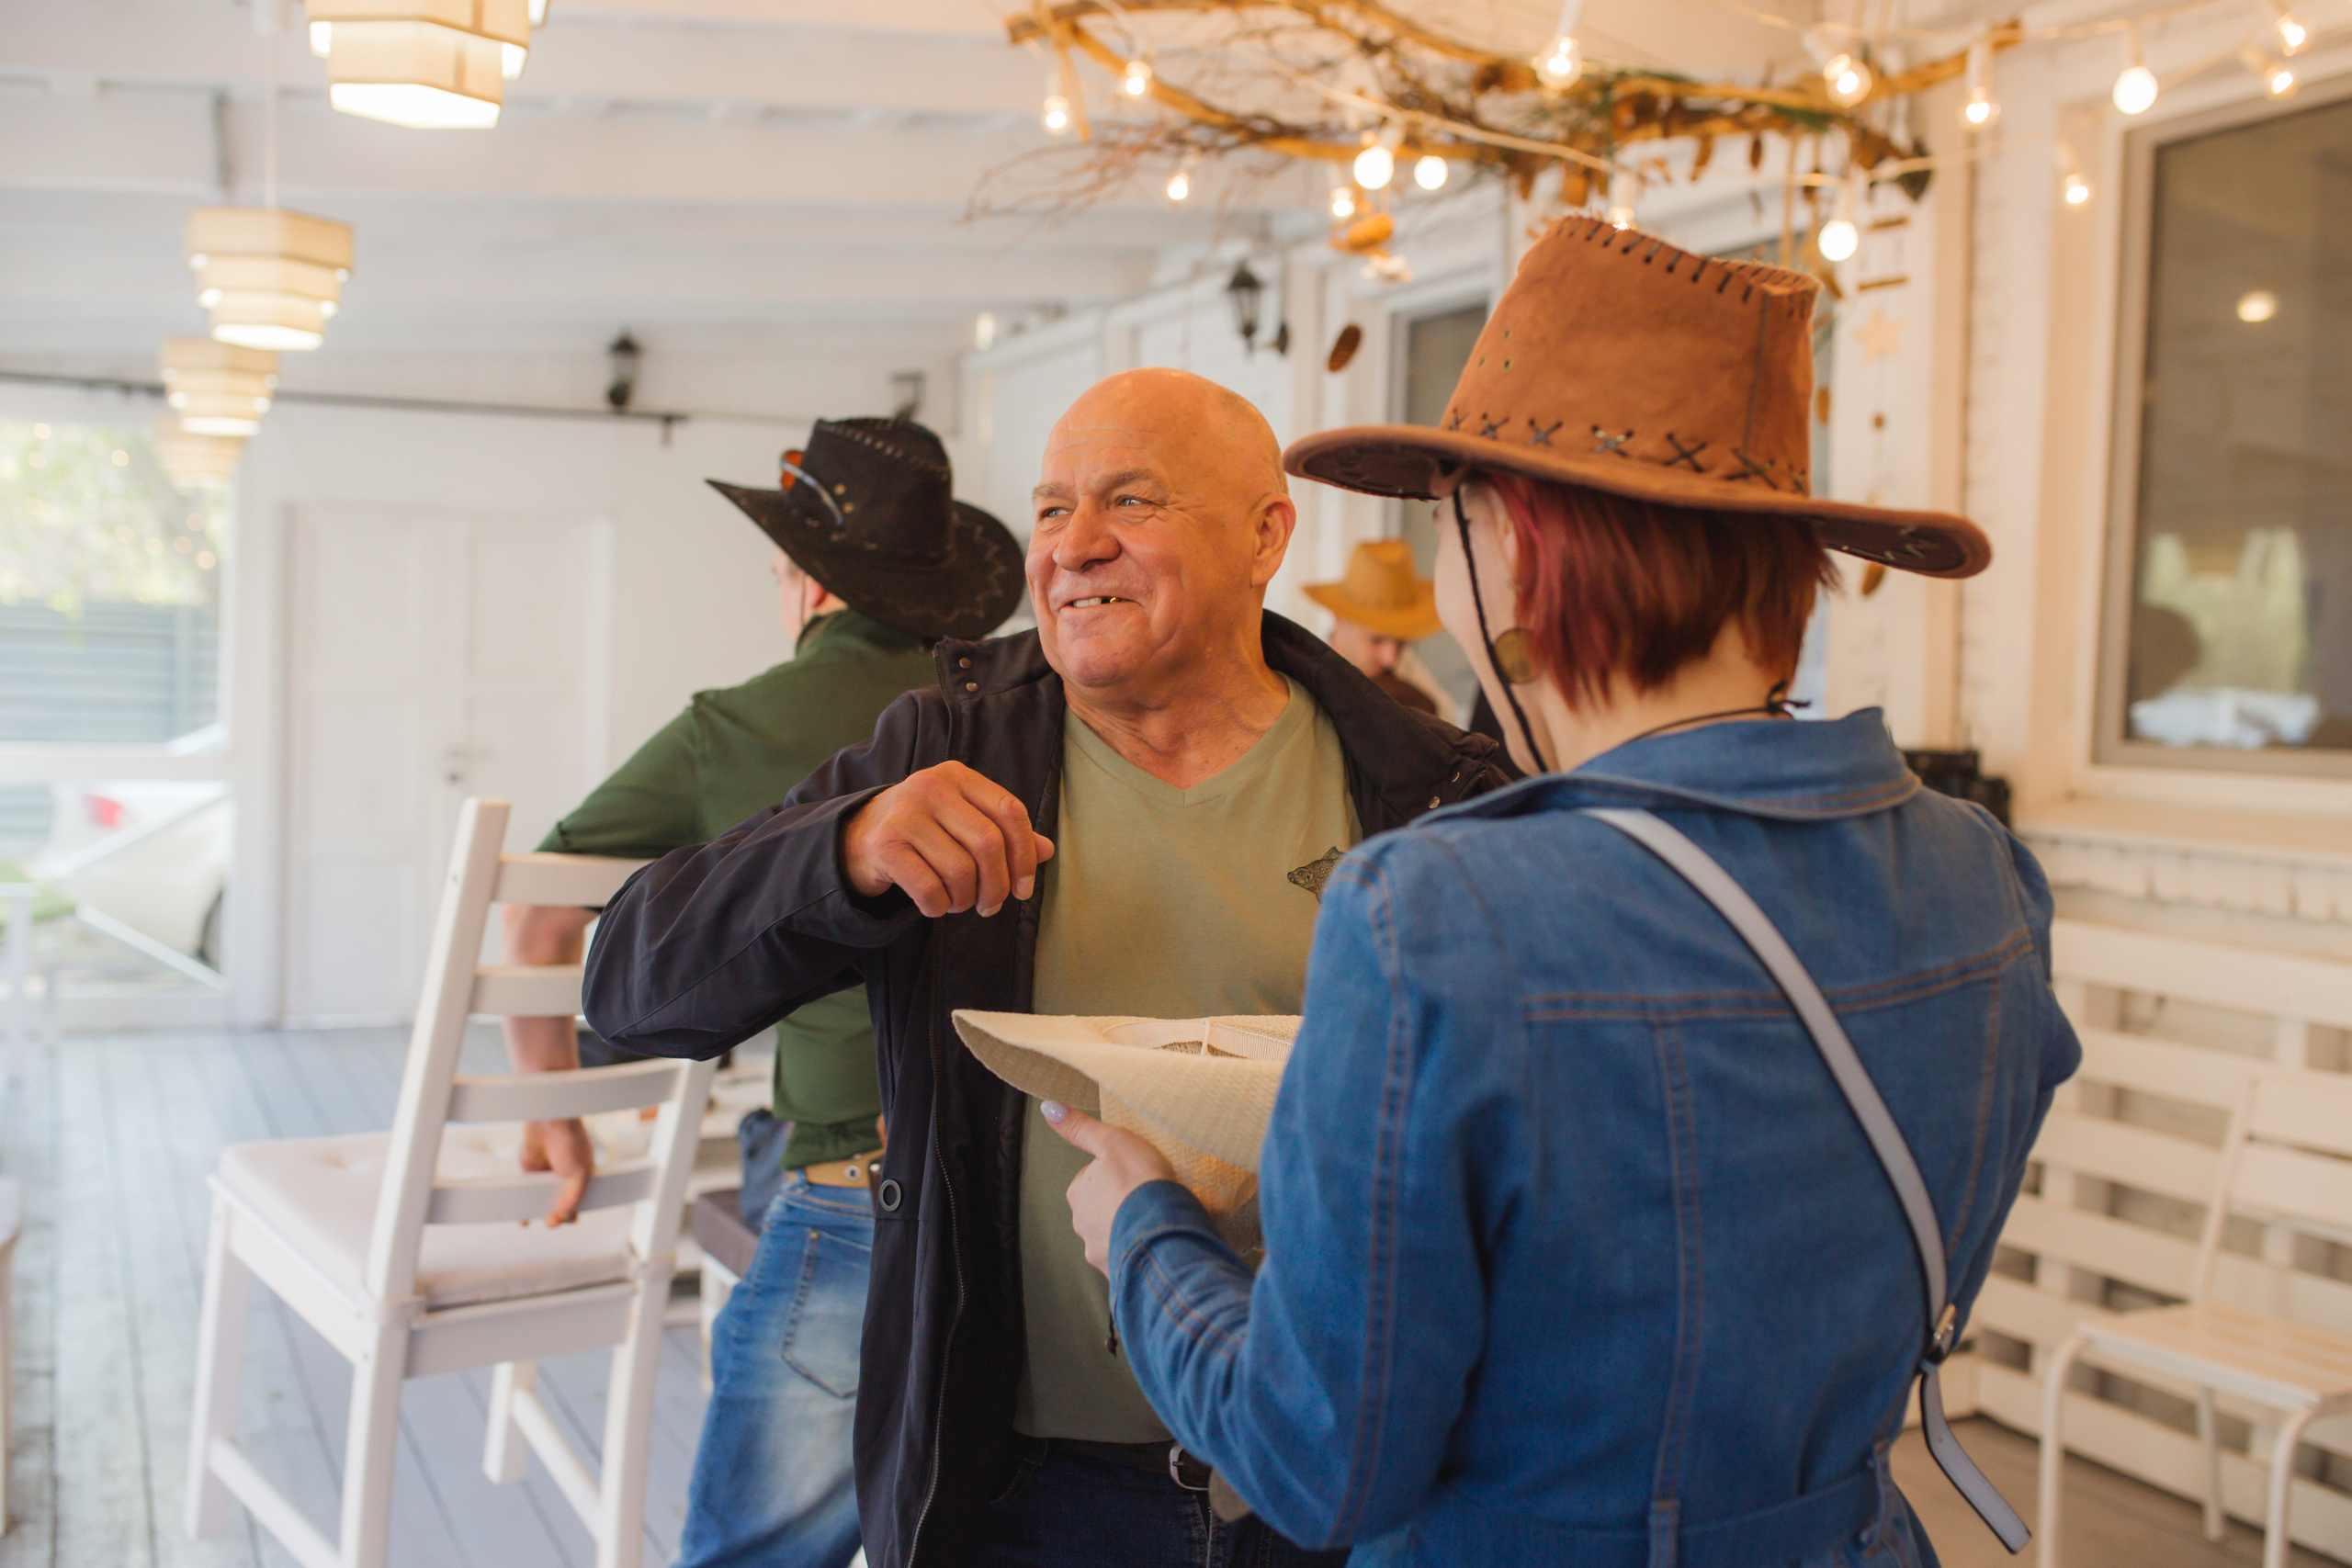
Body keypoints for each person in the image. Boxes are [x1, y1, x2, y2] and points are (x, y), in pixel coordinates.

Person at [1044, 219, 2084, 1567]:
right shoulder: (1980, 869)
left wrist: (1142, 1227)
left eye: (1451, 524)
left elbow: (1316, 1458)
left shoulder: (1440, 907)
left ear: (1516, 551)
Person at [581, 367, 1512, 1568]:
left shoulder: (1423, 785)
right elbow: (629, 980)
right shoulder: (951, 735)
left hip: (1320, 1467)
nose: (1074, 545)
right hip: (1025, 1477)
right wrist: (846, 850)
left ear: (1266, 533)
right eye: (1052, 508)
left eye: (1132, 499)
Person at [502, 416, 1023, 1568]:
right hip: (1032, 1208)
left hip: (857, 1197)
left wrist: (551, 1105)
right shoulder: (1013, 714)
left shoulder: (726, 729)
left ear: (807, 585)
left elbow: (536, 912)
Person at [1303, 538, 1445, 714]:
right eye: (1376, 640)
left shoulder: (1408, 667)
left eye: (1402, 640)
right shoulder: (1305, 689)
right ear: (1339, 620)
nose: (1391, 658)